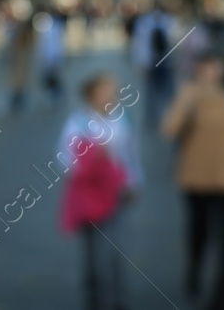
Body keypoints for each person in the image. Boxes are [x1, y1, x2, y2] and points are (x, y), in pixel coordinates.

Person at [162, 48, 224, 309]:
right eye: (204, 69)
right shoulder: (189, 96)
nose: (209, 75)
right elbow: (168, 130)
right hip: (196, 179)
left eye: (214, 68)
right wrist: (186, 98)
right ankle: (194, 274)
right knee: (198, 233)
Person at [59, 73, 143, 310]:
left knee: (115, 251)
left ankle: (118, 300)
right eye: (106, 90)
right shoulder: (78, 123)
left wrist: (134, 182)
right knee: (94, 255)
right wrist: (94, 158)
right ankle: (94, 299)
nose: (112, 95)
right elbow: (66, 161)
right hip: (91, 199)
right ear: (92, 94)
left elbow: (131, 155)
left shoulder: (123, 119)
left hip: (116, 194)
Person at [4, 11, 36, 114]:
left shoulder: (22, 38)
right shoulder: (28, 37)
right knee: (19, 85)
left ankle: (17, 102)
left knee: (17, 85)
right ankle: (18, 102)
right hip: (20, 68)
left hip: (19, 68)